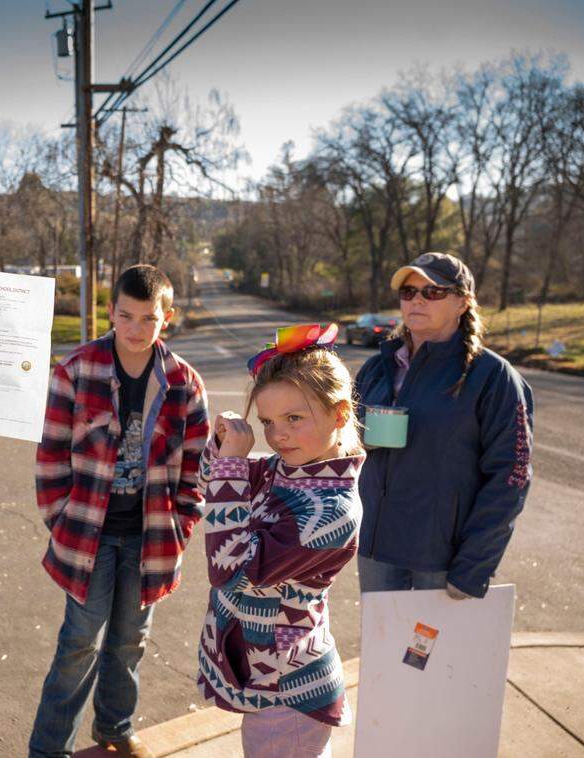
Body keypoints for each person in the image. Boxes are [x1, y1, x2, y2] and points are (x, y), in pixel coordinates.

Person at [30, 264, 210, 758]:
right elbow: (50, 455)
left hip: (150, 537)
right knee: (79, 644)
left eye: (147, 318)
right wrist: (63, 521)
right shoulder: (77, 370)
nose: (134, 328)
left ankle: (114, 727)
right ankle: (49, 748)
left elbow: (196, 468)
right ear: (110, 312)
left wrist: (181, 525)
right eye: (125, 316)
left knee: (131, 641)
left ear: (166, 318)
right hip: (88, 535)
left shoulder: (185, 385)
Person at [196, 324, 364, 758]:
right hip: (269, 678)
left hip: (291, 693)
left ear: (340, 413)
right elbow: (209, 483)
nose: (278, 435)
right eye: (268, 422)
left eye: (294, 418)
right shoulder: (283, 468)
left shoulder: (331, 511)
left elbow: (229, 570)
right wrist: (221, 450)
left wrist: (232, 466)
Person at [354, 252, 533, 598]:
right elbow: (344, 446)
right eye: (408, 292)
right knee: (384, 653)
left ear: (463, 302)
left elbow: (511, 477)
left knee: (439, 655)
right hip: (376, 553)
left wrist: (473, 567)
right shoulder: (377, 368)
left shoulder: (492, 377)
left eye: (432, 291)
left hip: (441, 563)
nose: (417, 300)